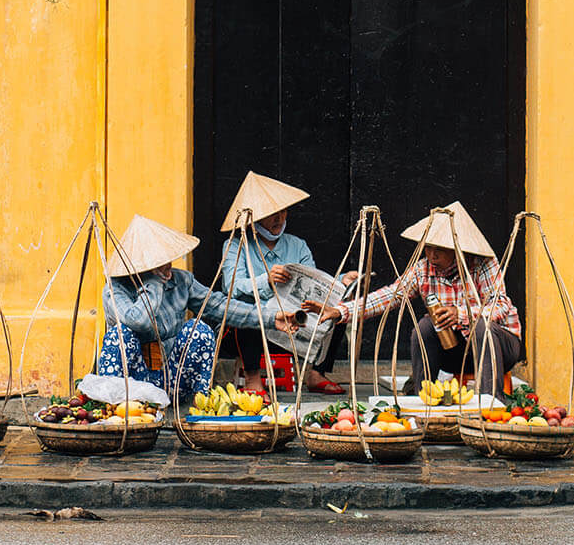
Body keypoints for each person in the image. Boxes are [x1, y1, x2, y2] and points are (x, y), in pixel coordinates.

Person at [308, 201, 522, 399]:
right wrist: (340, 311)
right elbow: (388, 296)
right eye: (428, 247)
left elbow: (500, 305)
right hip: (457, 352)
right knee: (425, 326)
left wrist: (461, 313)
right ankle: (424, 400)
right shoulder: (423, 270)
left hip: (499, 348)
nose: (432, 256)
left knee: (481, 327)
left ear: (458, 249)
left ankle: (490, 404)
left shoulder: (483, 264)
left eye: (440, 250)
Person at [94, 214, 297, 399]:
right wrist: (152, 284)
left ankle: (197, 402)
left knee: (198, 329)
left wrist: (271, 317)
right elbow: (138, 321)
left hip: (171, 378)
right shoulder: (116, 289)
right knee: (118, 336)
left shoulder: (181, 281)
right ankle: (114, 407)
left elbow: (219, 305)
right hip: (129, 386)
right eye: (160, 262)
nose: (168, 265)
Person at [213, 171, 354, 395]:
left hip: (291, 328)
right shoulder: (236, 245)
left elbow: (315, 283)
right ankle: (252, 379)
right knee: (249, 312)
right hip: (249, 333)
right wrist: (265, 281)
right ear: (255, 218)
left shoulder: (297, 246)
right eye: (272, 214)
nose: (279, 218)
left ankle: (317, 373)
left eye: (283, 211)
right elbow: (230, 286)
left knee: (337, 311)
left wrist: (342, 282)